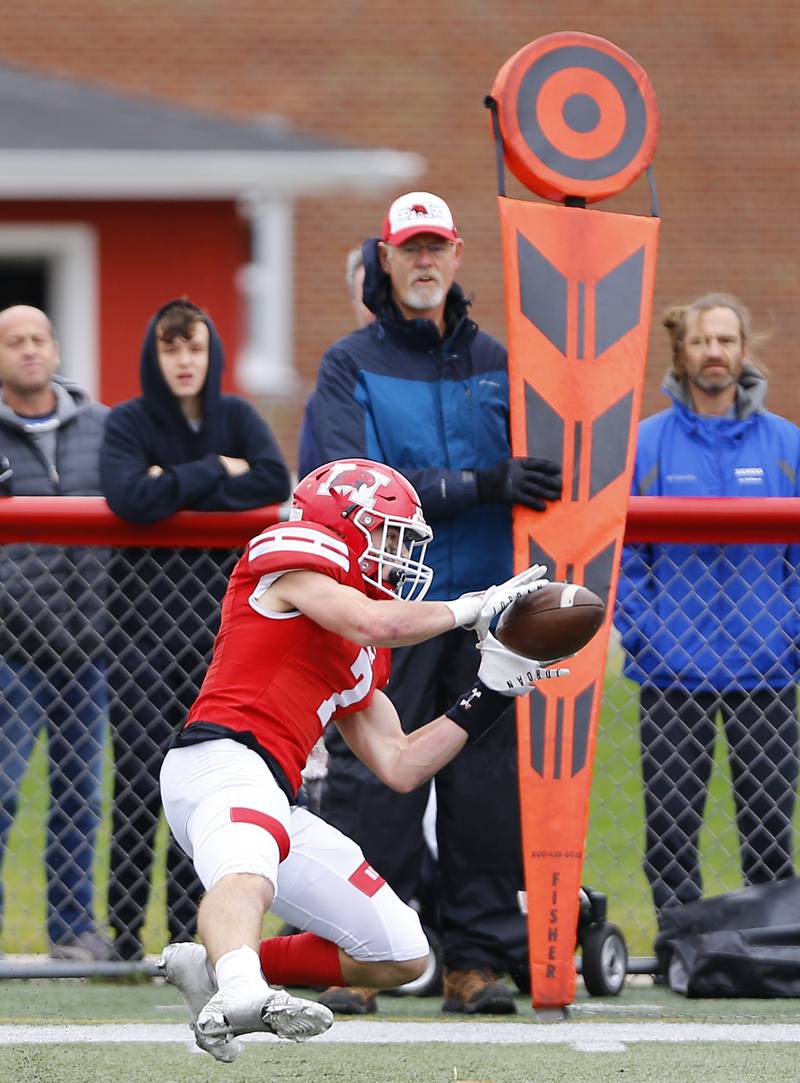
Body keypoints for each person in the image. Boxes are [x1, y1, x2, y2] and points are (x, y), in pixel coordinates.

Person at [158, 457, 566, 1061]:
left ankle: (217, 966)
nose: (396, 555)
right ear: (339, 522)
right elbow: (372, 619)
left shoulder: (359, 650)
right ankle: (243, 991)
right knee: (248, 871)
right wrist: (473, 606)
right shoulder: (292, 554)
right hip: (220, 759)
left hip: (274, 793)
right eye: (387, 533)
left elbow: (399, 763)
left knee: (400, 954)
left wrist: (491, 694)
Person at [306, 192, 563, 1014]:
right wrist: (479, 484)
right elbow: (355, 479)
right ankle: (356, 953)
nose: (423, 262)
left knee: (486, 790)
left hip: (492, 603)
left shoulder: (508, 357)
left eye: (436, 247)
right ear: (384, 257)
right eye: (408, 248)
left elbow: (558, 457)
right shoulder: (350, 362)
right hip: (394, 606)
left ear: (457, 258)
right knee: (376, 782)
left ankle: (475, 960)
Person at [100, 298, 291, 961]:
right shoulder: (127, 421)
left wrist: (176, 482)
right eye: (171, 348)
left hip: (220, 638)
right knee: (137, 778)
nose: (184, 361)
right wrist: (217, 470)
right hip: (137, 633)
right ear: (154, 357)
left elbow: (272, 480)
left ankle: (190, 927)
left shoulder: (236, 415)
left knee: (205, 786)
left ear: (211, 355)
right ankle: (124, 932)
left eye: (195, 348)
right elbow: (130, 496)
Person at [614, 292, 800, 937]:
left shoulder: (786, 445)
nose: (713, 352)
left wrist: (791, 636)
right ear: (681, 352)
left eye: (725, 340)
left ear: (744, 351)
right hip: (672, 672)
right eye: (700, 341)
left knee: (771, 825)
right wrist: (643, 635)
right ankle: (678, 941)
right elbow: (624, 558)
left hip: (768, 670)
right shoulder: (646, 444)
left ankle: (773, 943)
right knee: (668, 825)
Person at [0, 304, 113, 961]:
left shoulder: (102, 426)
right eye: (13, 342)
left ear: (57, 346)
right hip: (10, 648)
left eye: (37, 338)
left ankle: (72, 929)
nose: (28, 350)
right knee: (3, 792)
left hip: (88, 648)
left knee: (81, 796)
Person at [297, 246, 373, 481]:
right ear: (355, 305)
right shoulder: (331, 391)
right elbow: (313, 480)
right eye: (368, 298)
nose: (379, 309)